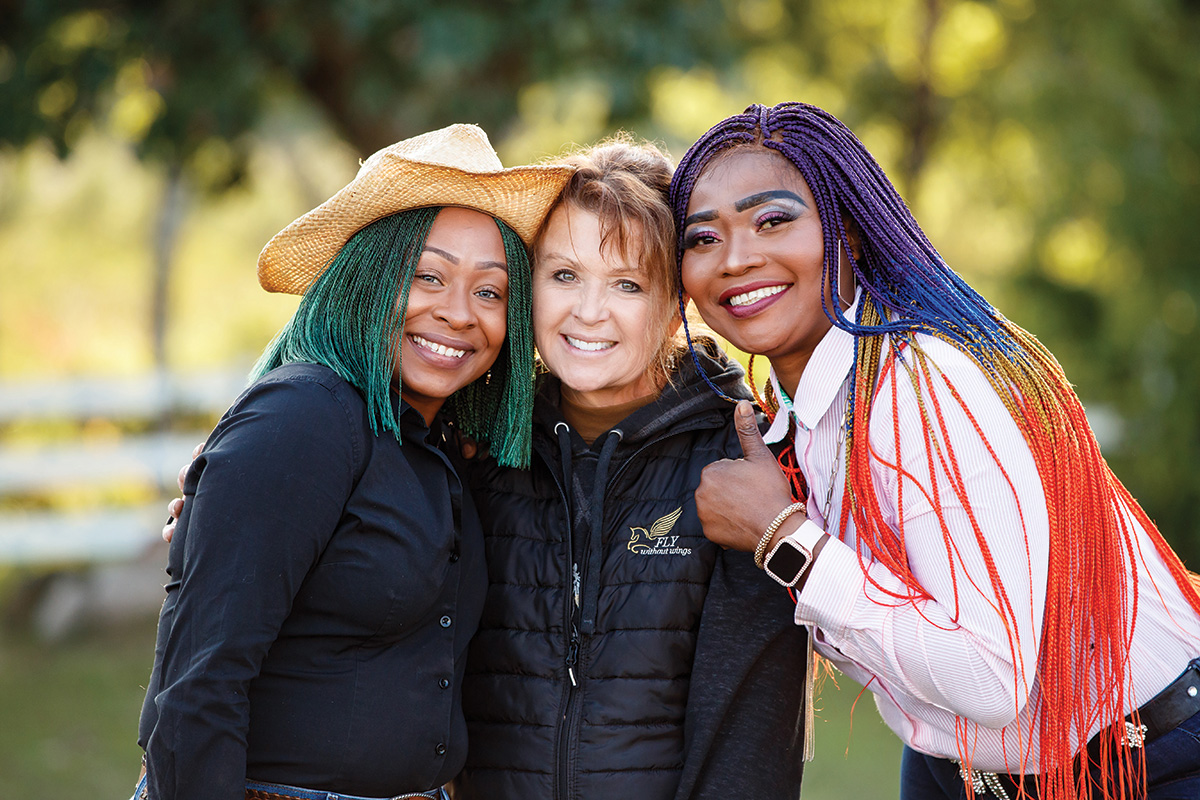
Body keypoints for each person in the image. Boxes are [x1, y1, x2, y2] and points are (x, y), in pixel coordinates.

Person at [669, 101, 1200, 800]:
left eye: (773, 220)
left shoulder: (920, 386)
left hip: (1142, 767)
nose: (736, 258)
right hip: (961, 772)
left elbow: (991, 676)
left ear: (847, 230)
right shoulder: (794, 416)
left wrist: (785, 539)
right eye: (703, 238)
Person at [134, 124, 571, 800]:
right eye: (428, 276)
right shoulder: (303, 418)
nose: (459, 313)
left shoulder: (442, 447)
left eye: (490, 292)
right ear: (369, 278)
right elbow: (199, 686)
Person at [450, 137, 807, 800]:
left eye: (626, 283)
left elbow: (750, 738)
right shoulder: (477, 444)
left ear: (677, 300)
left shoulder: (740, 460)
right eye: (564, 275)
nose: (589, 311)